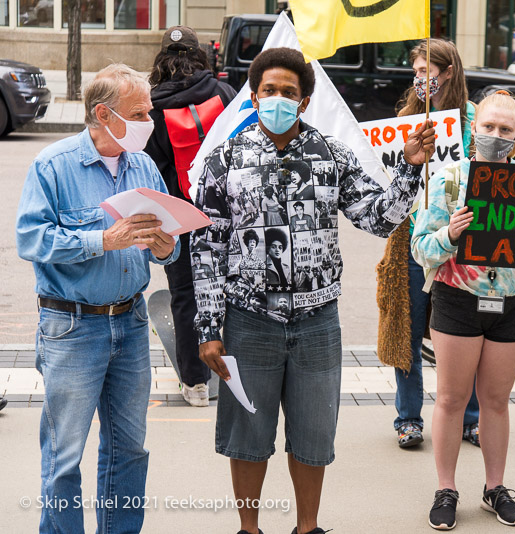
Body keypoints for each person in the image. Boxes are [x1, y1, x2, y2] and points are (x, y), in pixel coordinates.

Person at [191, 47, 434, 534]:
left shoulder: (332, 155)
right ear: (254, 97)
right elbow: (206, 248)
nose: (278, 99)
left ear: (303, 102)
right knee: (248, 434)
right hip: (248, 320)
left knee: (313, 435)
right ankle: (250, 529)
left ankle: (308, 527)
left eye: (289, 93)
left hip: (318, 323)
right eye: (269, 91)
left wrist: (409, 168)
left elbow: (377, 217)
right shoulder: (223, 161)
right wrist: (207, 328)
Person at [16, 64, 179, 533]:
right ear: (103, 115)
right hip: (72, 328)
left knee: (129, 449)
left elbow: (165, 240)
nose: (151, 121)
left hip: (129, 323)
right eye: (141, 113)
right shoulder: (54, 165)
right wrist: (100, 241)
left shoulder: (143, 165)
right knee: (65, 454)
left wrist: (168, 248)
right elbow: (31, 239)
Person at [412, 92, 515, 530]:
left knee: (496, 401)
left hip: (511, 305)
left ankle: (494, 488)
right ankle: (446, 488)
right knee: (451, 398)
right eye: (489, 127)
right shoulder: (447, 179)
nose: (496, 136)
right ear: (473, 129)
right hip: (458, 303)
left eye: (506, 129)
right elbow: (420, 247)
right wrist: (449, 233)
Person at [376, 37, 481, 450]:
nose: (419, 79)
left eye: (426, 72)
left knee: (463, 333)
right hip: (412, 240)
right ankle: (408, 417)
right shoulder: (405, 119)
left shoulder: (473, 120)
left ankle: (468, 419)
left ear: (448, 73)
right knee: (408, 329)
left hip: (459, 241)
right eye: (415, 72)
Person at [144, 25, 237, 407]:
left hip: (179, 213)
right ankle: (230, 368)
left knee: (184, 296)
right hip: (225, 210)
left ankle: (195, 384)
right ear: (201, 55)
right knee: (230, 289)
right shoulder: (223, 93)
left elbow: (150, 165)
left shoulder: (152, 105)